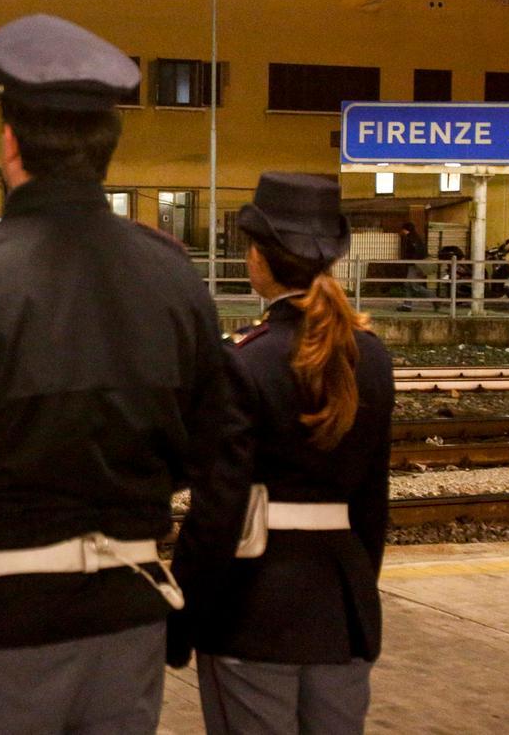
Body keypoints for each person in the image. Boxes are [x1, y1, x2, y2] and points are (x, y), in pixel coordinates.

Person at [0, 14, 248, 734]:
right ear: (107, 150)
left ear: (9, 141)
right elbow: (209, 448)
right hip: (127, 629)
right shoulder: (173, 279)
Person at [171, 172, 395, 734]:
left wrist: (182, 616)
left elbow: (217, 512)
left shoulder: (245, 360)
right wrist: (358, 592)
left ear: (259, 259)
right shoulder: (370, 357)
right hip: (342, 613)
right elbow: (372, 506)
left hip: (252, 612)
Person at [397, 220, 435, 311]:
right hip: (415, 264)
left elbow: (415, 252)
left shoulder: (411, 238)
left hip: (415, 265)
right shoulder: (416, 238)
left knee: (413, 285)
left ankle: (434, 298)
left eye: (403, 229)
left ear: (406, 229)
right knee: (408, 284)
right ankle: (407, 305)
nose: (402, 231)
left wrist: (411, 260)